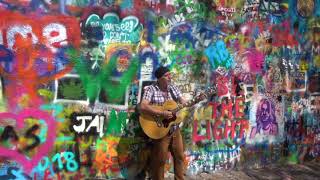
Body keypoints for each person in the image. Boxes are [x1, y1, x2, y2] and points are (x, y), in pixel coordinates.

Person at [140, 66, 187, 180]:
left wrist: (193, 101)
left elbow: (183, 101)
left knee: (180, 156)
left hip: (174, 128)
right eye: (167, 75)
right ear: (160, 78)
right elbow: (143, 106)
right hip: (160, 129)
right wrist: (161, 113)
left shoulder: (172, 88)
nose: (170, 77)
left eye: (170, 74)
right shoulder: (151, 89)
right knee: (160, 160)